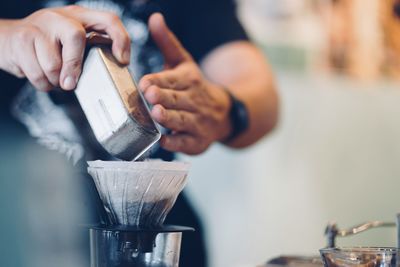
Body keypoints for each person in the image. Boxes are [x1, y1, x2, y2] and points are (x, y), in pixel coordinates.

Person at [0, 1, 278, 266]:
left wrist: (226, 109)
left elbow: (263, 99)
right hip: (21, 232)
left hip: (156, 246)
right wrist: (6, 35)